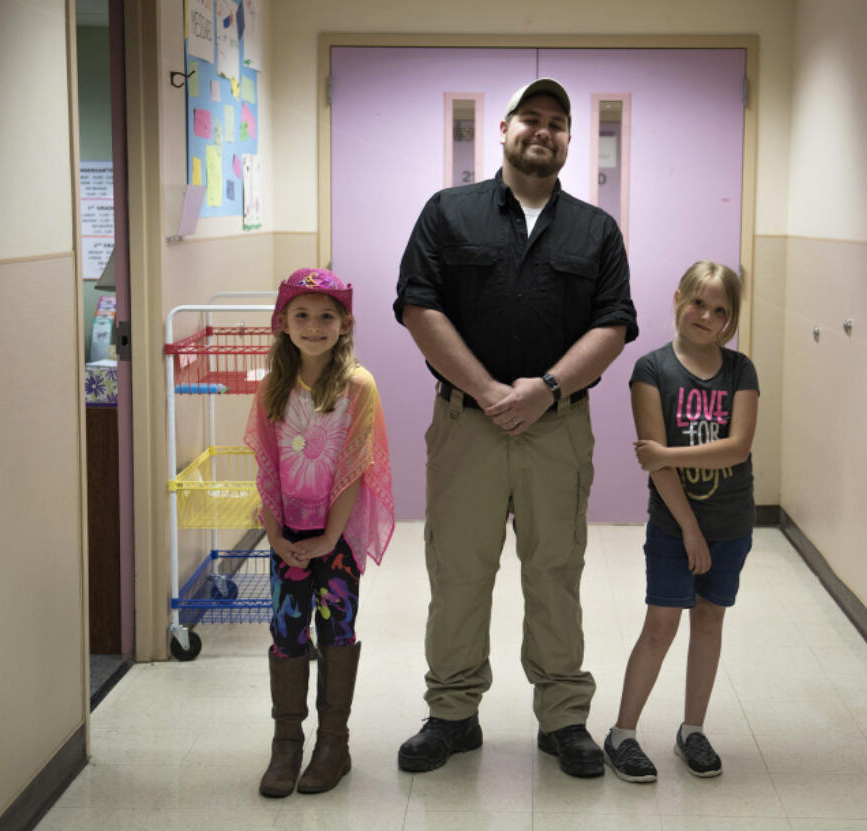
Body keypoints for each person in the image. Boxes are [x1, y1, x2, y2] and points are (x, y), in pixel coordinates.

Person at [394, 78, 638, 778]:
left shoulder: (596, 230)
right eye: (530, 119)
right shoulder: (449, 213)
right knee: (459, 569)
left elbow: (614, 323)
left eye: (557, 123)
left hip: (556, 429)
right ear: (502, 130)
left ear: (568, 140)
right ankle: (451, 711)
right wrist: (490, 389)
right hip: (467, 424)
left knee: (556, 571)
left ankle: (563, 717)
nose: (544, 130)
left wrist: (548, 387)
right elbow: (417, 305)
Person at [601, 261, 759, 784]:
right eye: (698, 302)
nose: (705, 316)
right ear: (678, 299)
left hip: (732, 522)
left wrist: (668, 451)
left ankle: (693, 729)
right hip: (673, 526)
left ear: (730, 320)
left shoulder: (741, 372)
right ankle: (623, 732)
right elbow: (658, 473)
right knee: (661, 625)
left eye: (720, 310)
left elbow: (737, 448)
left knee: (710, 620)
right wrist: (690, 528)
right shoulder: (651, 370)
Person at [246, 268, 394, 796]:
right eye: (301, 316)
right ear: (282, 323)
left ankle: (334, 743)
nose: (313, 326)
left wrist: (330, 539)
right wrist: (275, 536)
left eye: (326, 316)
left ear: (344, 323)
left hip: (338, 539)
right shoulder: (272, 387)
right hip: (287, 534)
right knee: (287, 633)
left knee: (336, 630)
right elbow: (265, 467)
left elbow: (356, 465)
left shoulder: (357, 386)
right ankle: (286, 743)